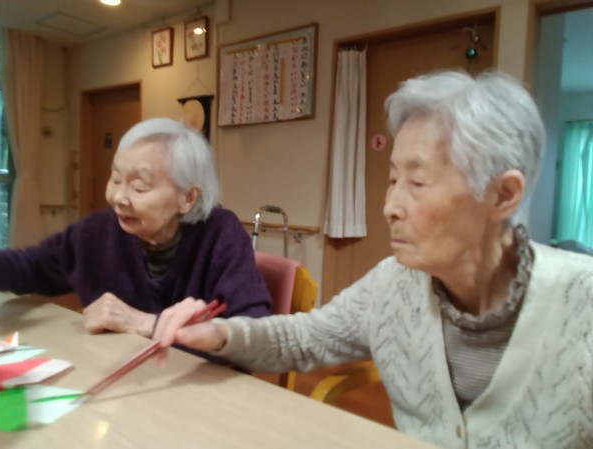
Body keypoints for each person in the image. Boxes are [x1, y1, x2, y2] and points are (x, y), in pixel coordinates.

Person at [153, 70, 593, 449]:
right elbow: (302, 340)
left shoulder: (582, 306)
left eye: (416, 183)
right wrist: (219, 333)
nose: (390, 207)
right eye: (393, 179)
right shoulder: (393, 286)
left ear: (503, 195)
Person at [0, 118, 271, 344]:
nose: (117, 197)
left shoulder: (220, 234)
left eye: (139, 187)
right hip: (113, 379)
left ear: (187, 198)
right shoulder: (97, 231)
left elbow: (253, 330)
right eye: (115, 179)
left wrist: (147, 323)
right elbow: (29, 267)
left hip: (199, 386)